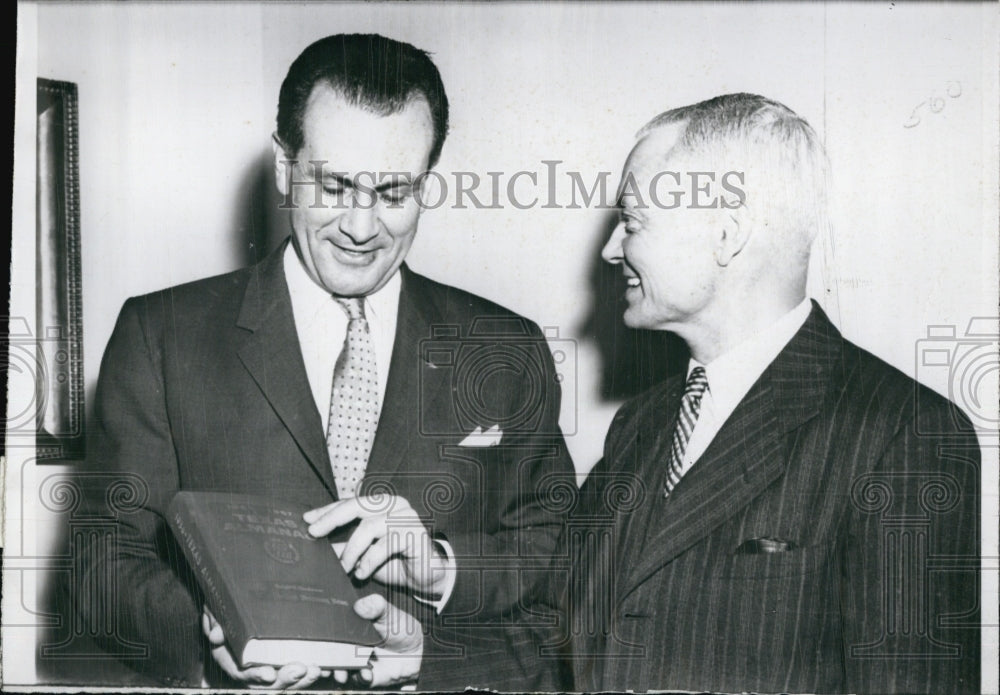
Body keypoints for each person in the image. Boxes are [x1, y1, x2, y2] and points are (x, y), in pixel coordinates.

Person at [75, 33, 573, 690]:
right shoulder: (163, 335)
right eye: (335, 185)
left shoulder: (507, 351)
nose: (362, 227)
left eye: (394, 192)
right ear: (285, 167)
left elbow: (562, 567)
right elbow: (100, 562)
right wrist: (209, 630)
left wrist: (443, 572)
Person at [544, 93, 980, 693]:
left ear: (727, 234)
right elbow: (556, 624)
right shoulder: (639, 425)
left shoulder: (904, 432)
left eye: (634, 221)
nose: (611, 248)